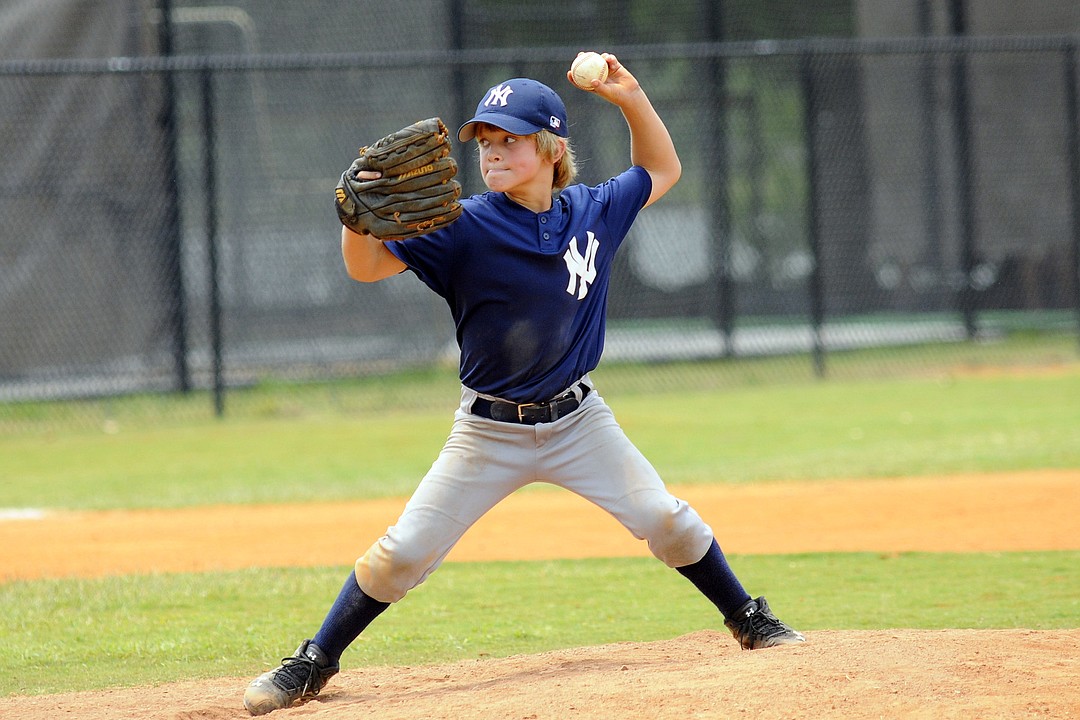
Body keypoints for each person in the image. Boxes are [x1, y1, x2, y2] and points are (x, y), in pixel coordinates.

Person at [243, 53, 804, 716]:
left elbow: (661, 169)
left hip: (579, 423)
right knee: (404, 554)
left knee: (665, 519)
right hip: (487, 432)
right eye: (486, 141)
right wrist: (353, 217)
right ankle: (314, 661)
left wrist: (630, 97)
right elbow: (366, 268)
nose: (493, 152)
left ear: (549, 147)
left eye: (509, 139)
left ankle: (747, 617)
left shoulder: (594, 210)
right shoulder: (462, 226)